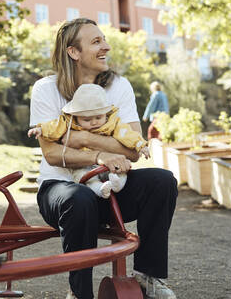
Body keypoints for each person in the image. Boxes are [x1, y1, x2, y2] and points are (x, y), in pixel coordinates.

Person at [29, 18, 178, 299]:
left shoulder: (118, 87)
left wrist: (82, 139)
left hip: (111, 190)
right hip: (61, 192)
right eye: (96, 42)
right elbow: (51, 154)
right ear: (73, 52)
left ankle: (148, 276)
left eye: (104, 40)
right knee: (79, 198)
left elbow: (132, 149)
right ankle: (79, 293)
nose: (106, 47)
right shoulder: (45, 89)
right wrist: (102, 152)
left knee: (162, 180)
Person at [28, 83, 150, 199]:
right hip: (83, 165)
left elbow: (128, 135)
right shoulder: (68, 122)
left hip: (111, 165)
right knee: (83, 176)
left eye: (98, 117)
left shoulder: (112, 123)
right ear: (75, 116)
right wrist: (41, 130)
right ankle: (100, 189)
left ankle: (117, 184)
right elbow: (54, 127)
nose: (94, 122)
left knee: (121, 171)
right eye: (87, 119)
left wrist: (141, 145)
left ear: (105, 113)